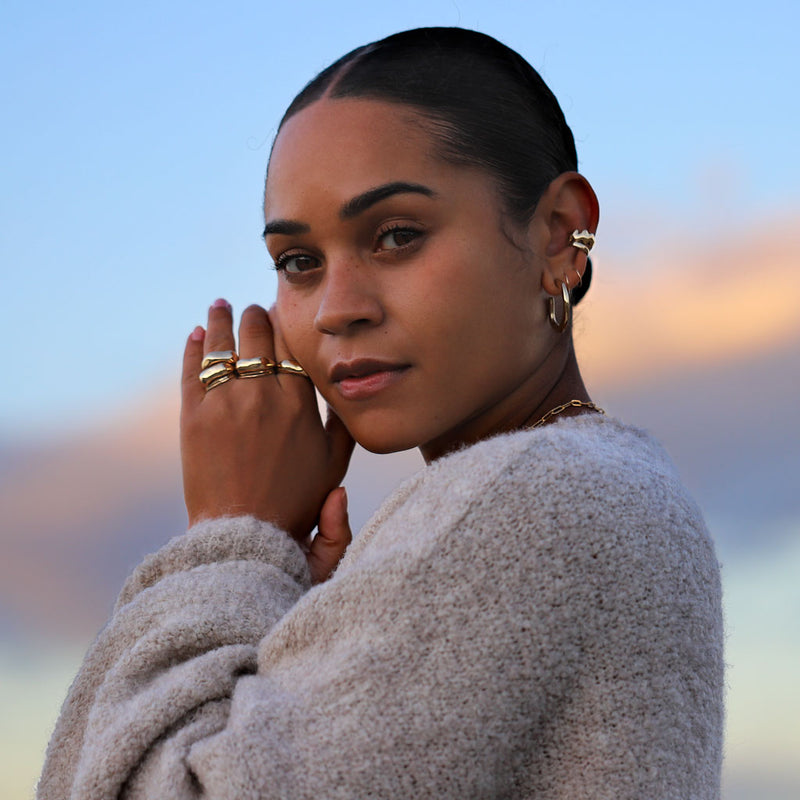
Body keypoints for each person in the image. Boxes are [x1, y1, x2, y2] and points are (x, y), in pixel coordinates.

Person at [38, 27, 723, 799]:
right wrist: (296, 615)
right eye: (299, 263)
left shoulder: (535, 500)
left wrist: (228, 538)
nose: (336, 310)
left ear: (561, 233)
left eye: (396, 236)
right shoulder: (610, 490)